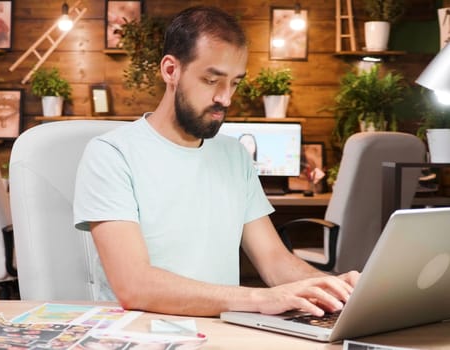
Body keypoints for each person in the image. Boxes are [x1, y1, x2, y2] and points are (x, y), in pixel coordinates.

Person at [74, 5, 359, 317]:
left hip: (219, 333)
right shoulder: (111, 154)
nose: (226, 98)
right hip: (141, 334)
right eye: (212, 80)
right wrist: (262, 300)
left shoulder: (234, 155)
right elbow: (135, 286)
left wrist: (336, 288)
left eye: (235, 82)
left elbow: (275, 262)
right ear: (171, 70)